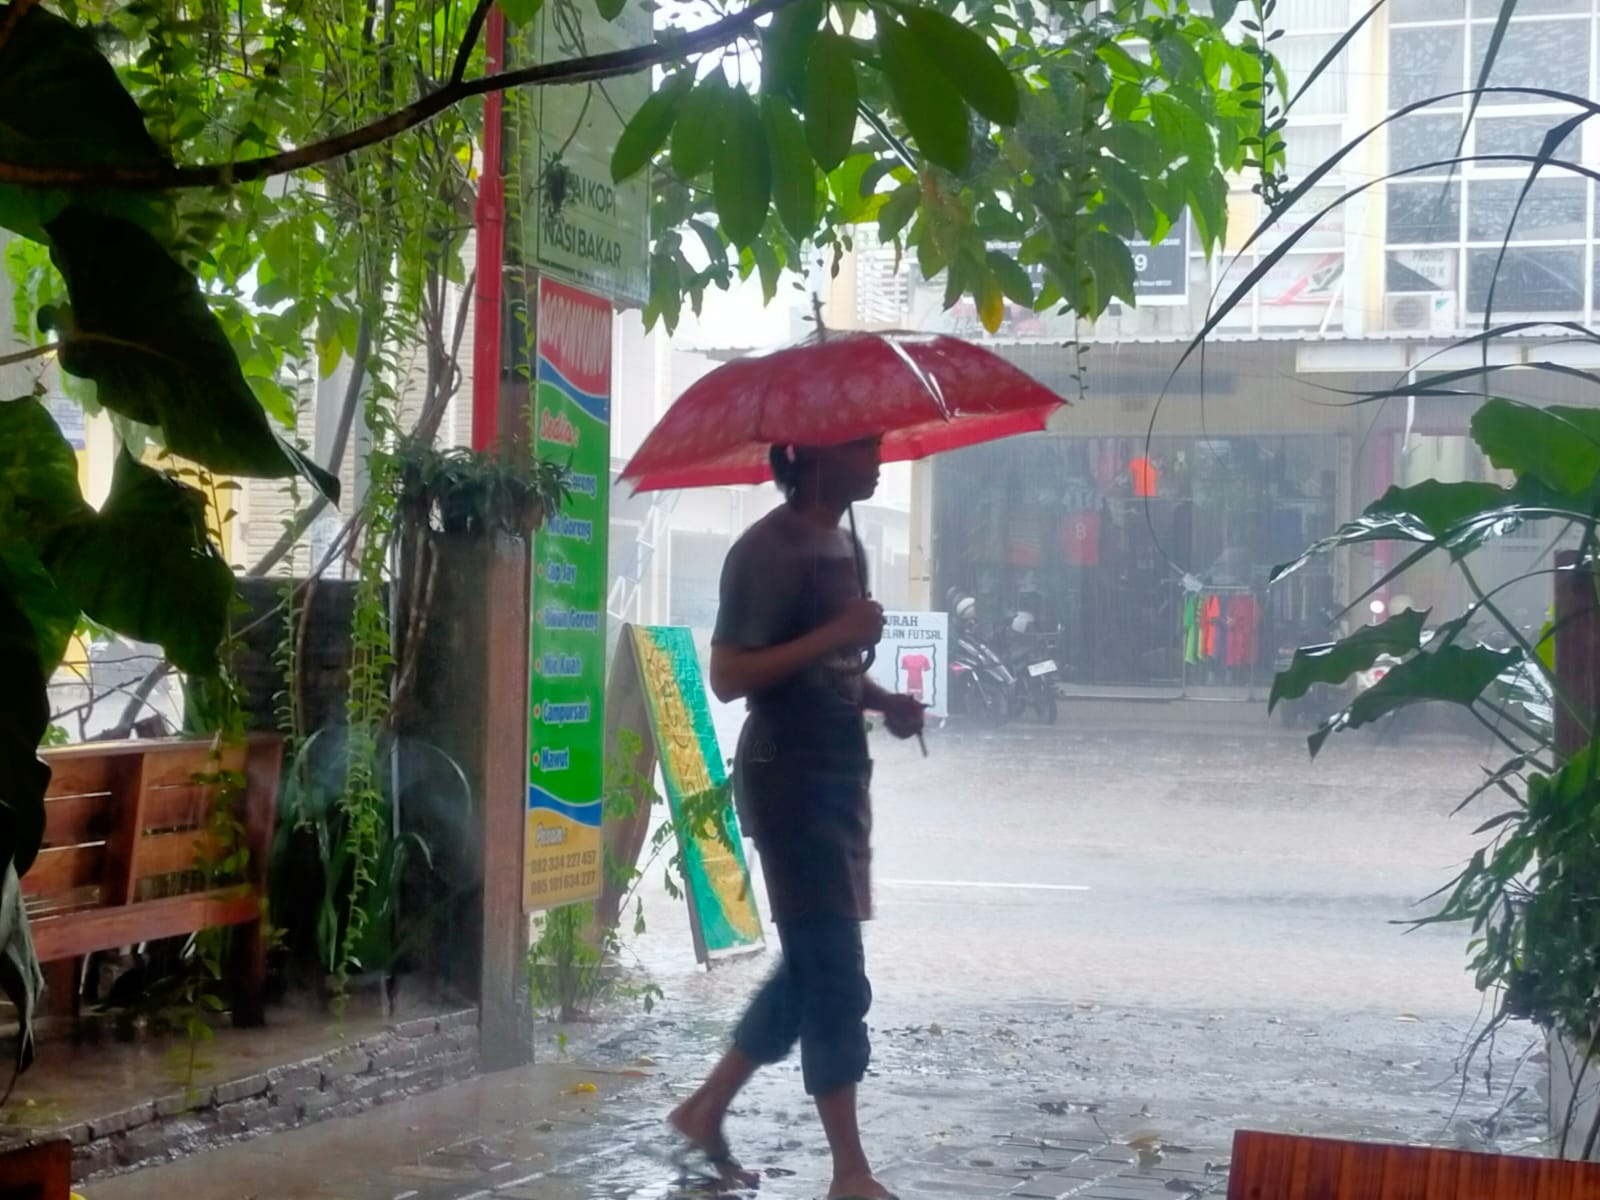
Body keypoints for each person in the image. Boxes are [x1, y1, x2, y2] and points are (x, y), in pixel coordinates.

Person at [669, 436, 924, 1200]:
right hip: (789, 779)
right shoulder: (766, 550)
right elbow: (729, 674)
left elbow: (835, 665)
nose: (879, 457)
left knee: (812, 963)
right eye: (863, 446)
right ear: (813, 457)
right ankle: (850, 1171)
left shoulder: (846, 540)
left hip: (841, 776)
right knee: (837, 974)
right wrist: (838, 633)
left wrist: (886, 703)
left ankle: (705, 1108)